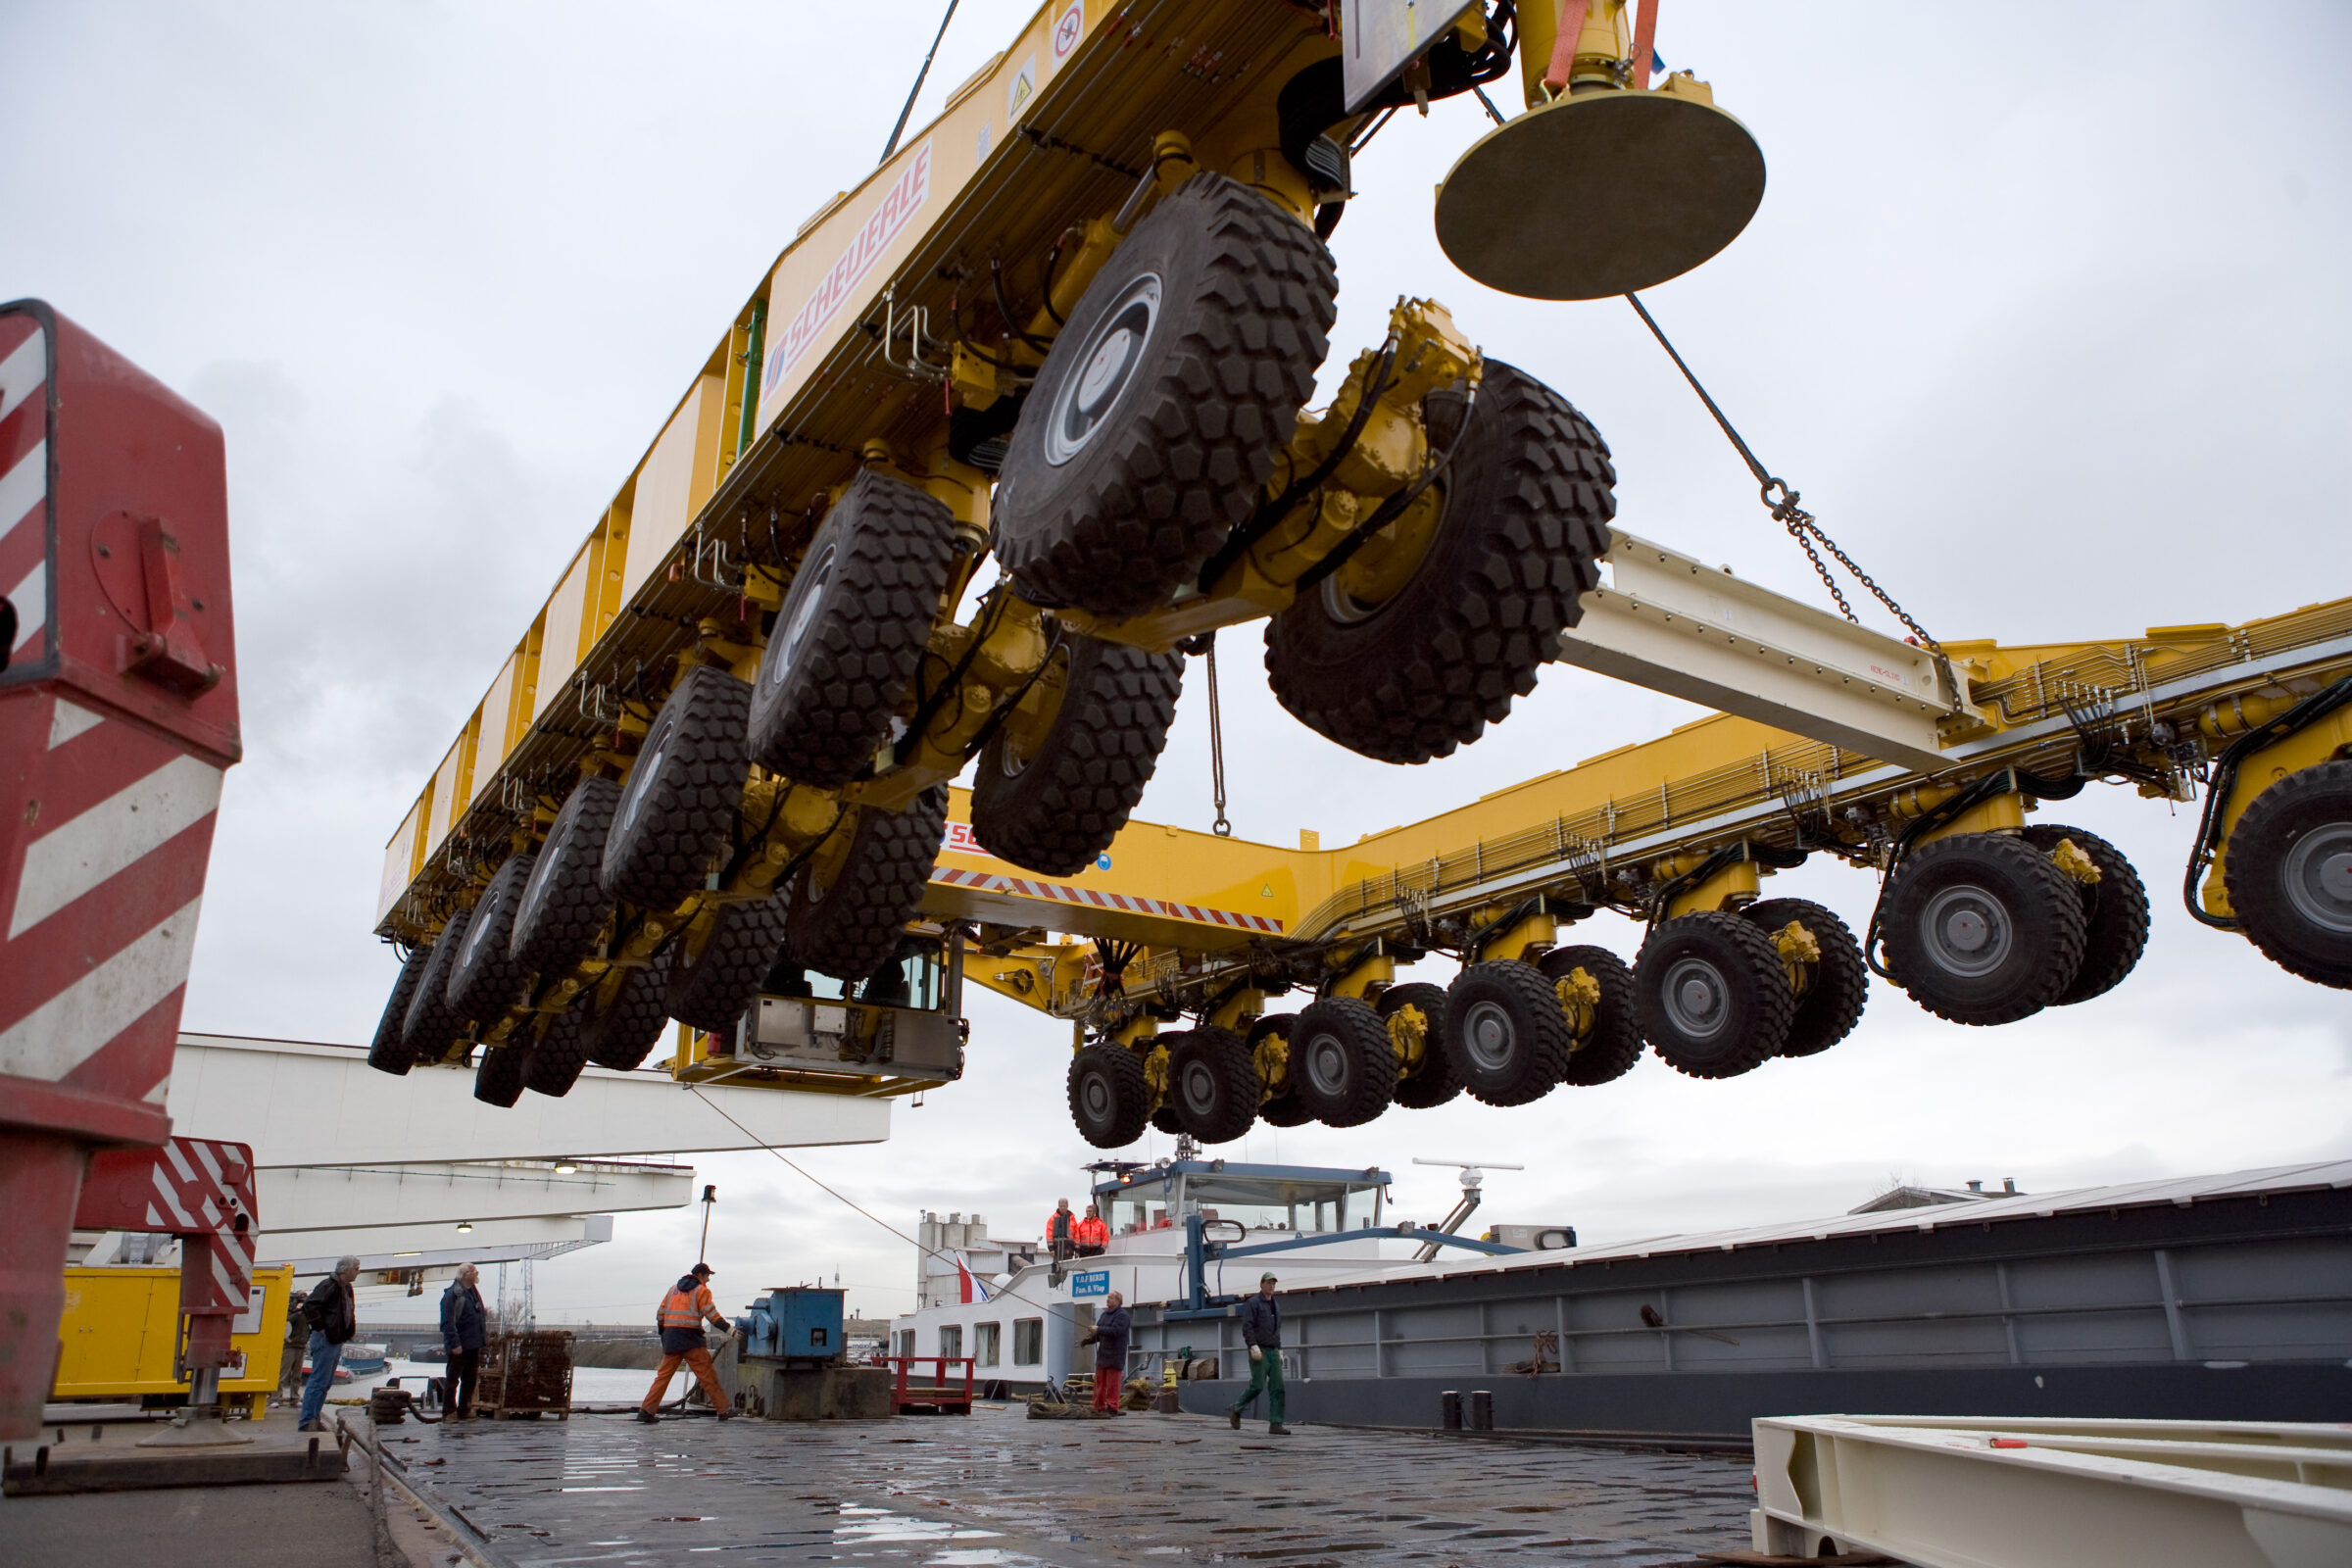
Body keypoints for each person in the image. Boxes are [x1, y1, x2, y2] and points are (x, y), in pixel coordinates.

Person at [638, 1262, 737, 1424]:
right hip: (691, 1339)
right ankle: (724, 1410)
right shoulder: (701, 1291)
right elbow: (712, 1316)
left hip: (672, 1338)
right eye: (707, 1276)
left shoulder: (672, 1290)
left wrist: (664, 1336)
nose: (709, 1280)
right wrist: (730, 1330)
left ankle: (646, 1411)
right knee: (707, 1375)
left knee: (662, 1377)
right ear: (700, 1275)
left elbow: (660, 1315)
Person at [296, 1255, 361, 1432]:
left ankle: (314, 1419)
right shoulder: (329, 1285)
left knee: (324, 1383)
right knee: (318, 1381)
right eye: (356, 1268)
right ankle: (307, 1421)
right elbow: (310, 1305)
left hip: (335, 1339)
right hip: (326, 1339)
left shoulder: (346, 1288)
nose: (358, 1271)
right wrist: (321, 1327)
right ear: (345, 1270)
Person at [1227, 1272, 1288, 1435]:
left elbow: (1276, 1328)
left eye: (1273, 1283)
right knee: (1258, 1385)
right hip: (1259, 1350)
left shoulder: (1276, 1305)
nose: (1271, 1286)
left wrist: (1280, 1348)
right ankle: (1237, 1407)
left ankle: (1276, 1423)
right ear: (1261, 1284)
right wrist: (1252, 1345)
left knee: (1278, 1388)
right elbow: (1247, 1326)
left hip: (1273, 1350)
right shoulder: (1253, 1303)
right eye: (1268, 1283)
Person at [439, 1263, 487, 1419]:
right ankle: (449, 1411)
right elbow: (448, 1322)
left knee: (470, 1378)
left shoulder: (473, 1293)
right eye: (474, 1272)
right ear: (465, 1275)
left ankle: (464, 1408)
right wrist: (455, 1344)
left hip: (473, 1344)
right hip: (460, 1345)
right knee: (453, 1379)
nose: (476, 1274)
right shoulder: (453, 1295)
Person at [1079, 1290, 1131, 1414]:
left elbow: (1115, 1331)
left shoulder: (1122, 1315)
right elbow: (1100, 1334)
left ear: (1118, 1301)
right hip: (1103, 1355)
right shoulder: (1104, 1315)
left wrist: (1099, 1329)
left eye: (1111, 1297)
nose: (1108, 1299)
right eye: (1108, 1297)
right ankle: (1098, 1406)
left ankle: (1112, 1407)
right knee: (1099, 1383)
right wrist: (1089, 1340)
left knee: (1113, 1384)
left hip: (1115, 1355)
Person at [1045, 1199, 1076, 1264]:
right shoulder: (1052, 1218)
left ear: (1067, 1206)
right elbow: (1049, 1235)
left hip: (1069, 1248)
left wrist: (1077, 1250)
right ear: (1058, 1206)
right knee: (1057, 1269)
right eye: (1061, 1206)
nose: (1062, 1208)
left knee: (1069, 1267)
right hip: (1057, 1248)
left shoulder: (1072, 1219)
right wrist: (1051, 1249)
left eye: (1064, 1206)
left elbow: (1076, 1235)